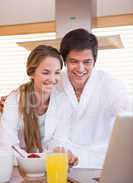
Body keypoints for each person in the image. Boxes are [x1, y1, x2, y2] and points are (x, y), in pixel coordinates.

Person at [44, 28, 129, 168]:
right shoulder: (55, 82)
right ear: (64, 61)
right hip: (62, 163)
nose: (80, 68)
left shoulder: (111, 85)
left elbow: (128, 116)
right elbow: (33, 95)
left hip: (100, 167)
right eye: (74, 61)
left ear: (95, 61)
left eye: (87, 62)